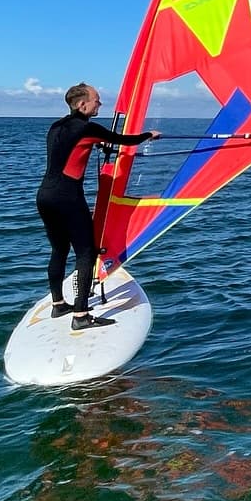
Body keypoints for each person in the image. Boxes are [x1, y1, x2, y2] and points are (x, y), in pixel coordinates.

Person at [37, 83, 160, 328]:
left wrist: (98, 144)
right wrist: (148, 135)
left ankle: (58, 304)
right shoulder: (88, 128)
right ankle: (81, 316)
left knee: (59, 250)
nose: (100, 104)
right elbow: (122, 140)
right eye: (96, 100)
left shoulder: (56, 127)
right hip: (68, 197)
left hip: (45, 196)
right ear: (82, 104)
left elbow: (69, 149)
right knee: (86, 253)